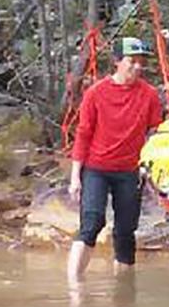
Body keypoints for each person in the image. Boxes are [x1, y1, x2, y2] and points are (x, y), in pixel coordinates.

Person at [66, 36, 163, 286]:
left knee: (125, 231)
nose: (137, 67)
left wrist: (152, 169)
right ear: (118, 62)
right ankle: (74, 286)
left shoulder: (149, 94)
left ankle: (124, 292)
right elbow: (83, 134)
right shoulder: (96, 93)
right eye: (132, 61)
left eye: (141, 62)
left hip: (130, 170)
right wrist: (75, 177)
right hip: (96, 167)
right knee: (92, 222)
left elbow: (156, 133)